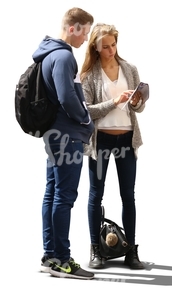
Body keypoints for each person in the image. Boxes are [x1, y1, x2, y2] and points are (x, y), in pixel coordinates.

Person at [32, 7, 95, 280]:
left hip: (54, 135)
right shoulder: (63, 56)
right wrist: (85, 120)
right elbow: (67, 97)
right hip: (67, 136)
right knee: (64, 197)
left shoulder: (47, 54)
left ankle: (50, 255)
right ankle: (62, 260)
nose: (85, 39)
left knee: (52, 193)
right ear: (73, 28)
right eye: (85, 32)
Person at [80, 23, 146, 270]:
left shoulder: (129, 69)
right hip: (102, 142)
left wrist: (137, 102)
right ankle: (96, 249)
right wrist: (113, 101)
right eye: (105, 46)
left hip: (127, 140)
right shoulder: (89, 75)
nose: (110, 50)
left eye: (113, 45)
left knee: (128, 196)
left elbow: (138, 108)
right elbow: (86, 110)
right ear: (96, 48)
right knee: (96, 195)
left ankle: (131, 250)